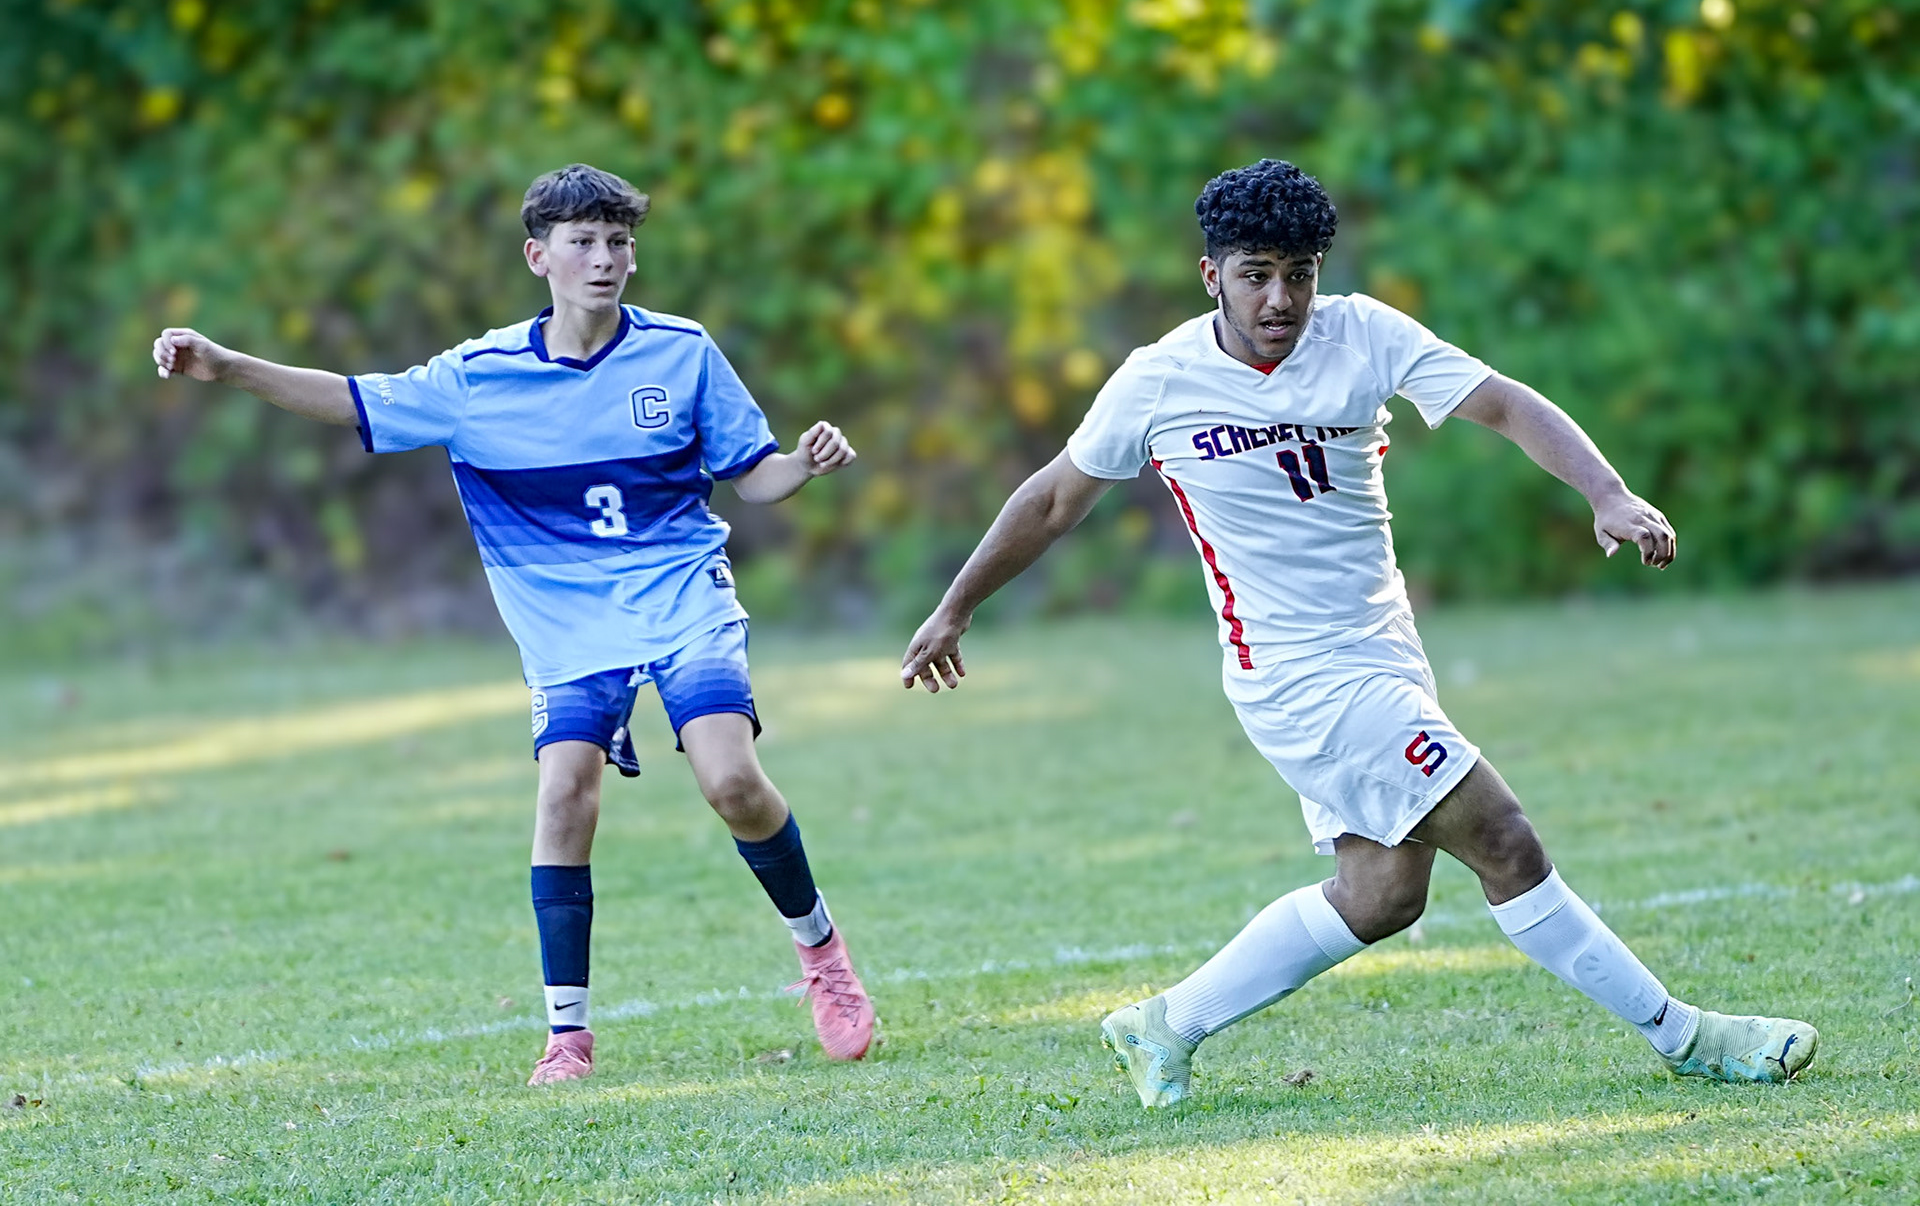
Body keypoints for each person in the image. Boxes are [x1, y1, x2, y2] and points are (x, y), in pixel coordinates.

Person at [899, 158, 1816, 1108]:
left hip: (1385, 653)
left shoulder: (1364, 333)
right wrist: (956, 606)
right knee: (1504, 839)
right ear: (1211, 275)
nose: (1280, 298)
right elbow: (1053, 500)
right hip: (1297, 680)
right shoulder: (1157, 381)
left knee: (1383, 892)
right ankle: (1689, 1037)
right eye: (1256, 274)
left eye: (1299, 273)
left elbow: (1503, 403)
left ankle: (1164, 1024)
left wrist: (1607, 491)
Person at [151, 163, 876, 1086]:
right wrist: (226, 366)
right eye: (583, 242)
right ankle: (567, 1036)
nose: (604, 259)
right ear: (539, 257)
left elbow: (755, 475)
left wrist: (804, 463)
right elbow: (352, 397)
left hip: (680, 592)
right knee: (564, 795)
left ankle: (821, 951)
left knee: (731, 779)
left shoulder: (683, 353)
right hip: (566, 624)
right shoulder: (478, 378)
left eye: (618, 242)